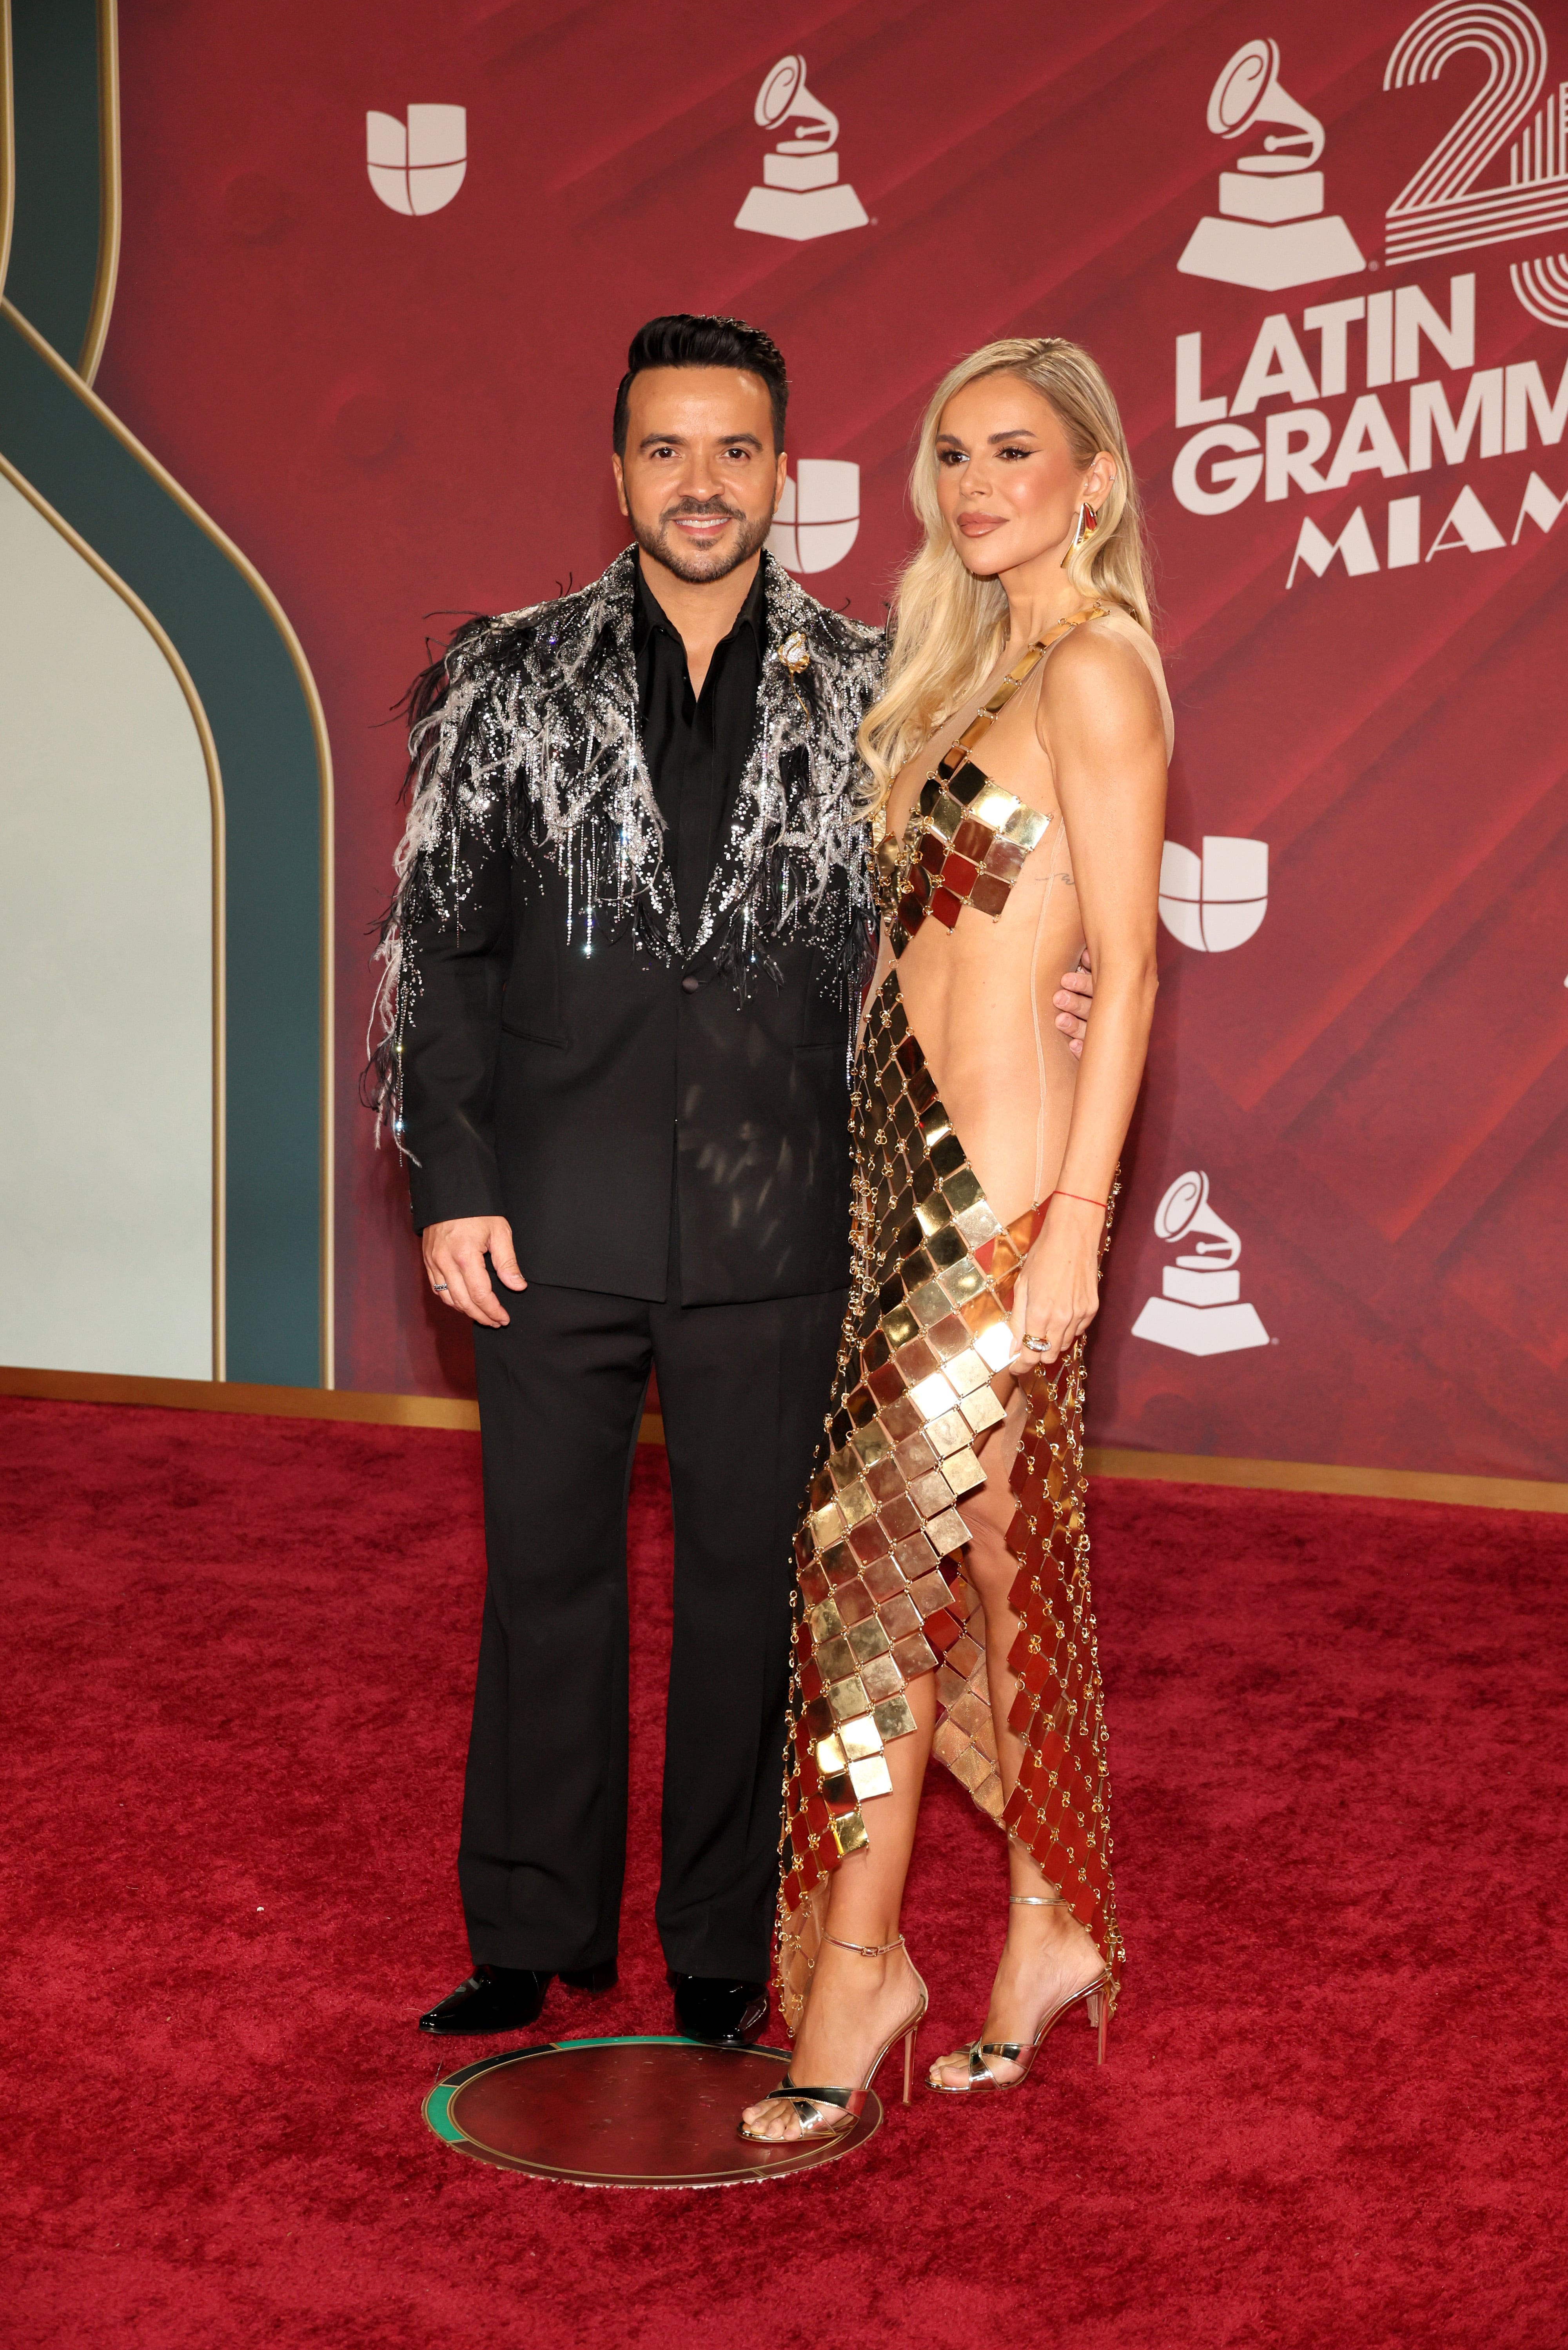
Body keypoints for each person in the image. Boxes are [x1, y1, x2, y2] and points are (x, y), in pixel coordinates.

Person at [371, 315, 1100, 2048]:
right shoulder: (503, 676)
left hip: (793, 1226)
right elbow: (437, 952)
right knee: (541, 1579)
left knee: (752, 1595)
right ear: (617, 471)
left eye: (735, 450)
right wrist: (452, 1180)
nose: (701, 484)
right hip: (544, 1219)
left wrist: (1045, 974)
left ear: (783, 470)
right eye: (666, 450)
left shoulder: (880, 687)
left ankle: (719, 1942)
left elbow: (961, 916)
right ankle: (527, 1929)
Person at [739, 336, 1169, 2141]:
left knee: (860, 1590)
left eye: (1016, 450)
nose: (976, 481)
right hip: (903, 1181)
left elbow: (1130, 961)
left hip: (995, 1205)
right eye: (951, 454)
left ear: (1092, 478)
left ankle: (861, 1969)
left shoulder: (1094, 666)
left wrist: (1073, 1225)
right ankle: (1052, 1918)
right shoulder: (971, 662)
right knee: (980, 1564)